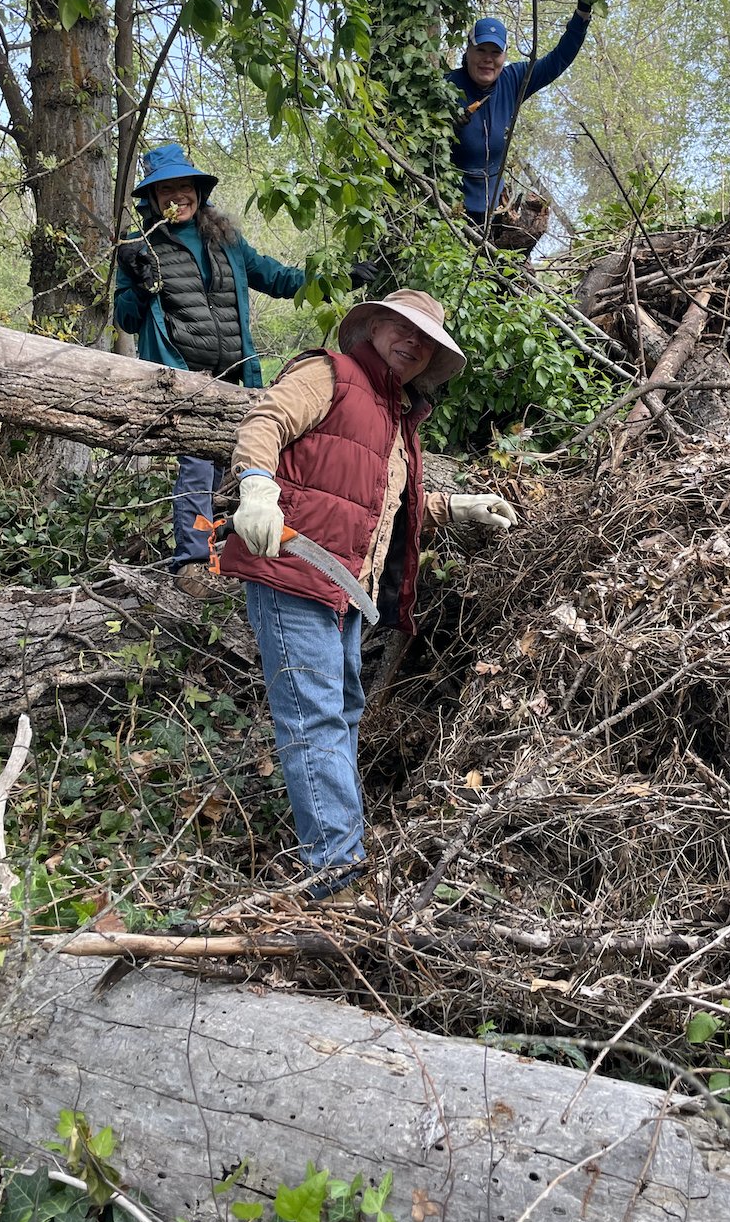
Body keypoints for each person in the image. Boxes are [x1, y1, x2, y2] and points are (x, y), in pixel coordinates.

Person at [219, 289, 518, 899]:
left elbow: (382, 508)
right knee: (317, 719)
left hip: (346, 591)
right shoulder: (330, 373)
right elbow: (264, 422)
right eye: (401, 329)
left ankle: (334, 853)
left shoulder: (395, 416)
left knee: (341, 716)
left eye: (426, 341)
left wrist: (454, 507)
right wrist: (255, 487)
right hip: (294, 573)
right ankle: (339, 873)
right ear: (373, 326)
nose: (412, 344)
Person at [114, 142, 307, 600]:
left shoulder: (227, 241)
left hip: (237, 376)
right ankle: (193, 564)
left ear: (198, 191)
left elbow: (277, 279)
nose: (175, 197)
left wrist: (332, 279)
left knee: (254, 461)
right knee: (198, 467)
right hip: (182, 378)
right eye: (165, 191)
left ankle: (255, 554)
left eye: (183, 187)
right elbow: (125, 318)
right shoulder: (140, 249)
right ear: (152, 198)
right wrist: (139, 285)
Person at [447, 0, 599, 227]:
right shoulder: (447, 86)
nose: (488, 59)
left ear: (504, 56)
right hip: (451, 207)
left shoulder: (514, 80)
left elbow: (558, 59)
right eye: (481, 51)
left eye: (495, 53)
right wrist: (448, 126)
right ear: (468, 51)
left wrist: (582, 13)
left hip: (496, 210)